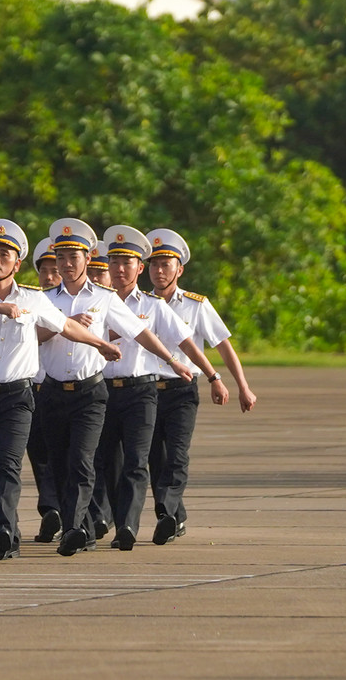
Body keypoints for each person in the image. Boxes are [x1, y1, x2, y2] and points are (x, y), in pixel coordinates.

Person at [0, 219, 121, 561]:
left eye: (4, 254)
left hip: (16, 398)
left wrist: (100, 343)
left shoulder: (33, 298)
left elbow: (66, 326)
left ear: (17, 262)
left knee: (10, 464)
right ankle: (5, 529)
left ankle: (1, 531)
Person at [36, 218, 188, 557]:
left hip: (91, 392)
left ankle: (75, 529)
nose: (66, 264)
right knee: (59, 464)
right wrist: (65, 326)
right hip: (53, 391)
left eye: (73, 257)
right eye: (61, 257)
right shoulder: (43, 299)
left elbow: (139, 331)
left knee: (82, 462)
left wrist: (172, 360)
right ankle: (85, 528)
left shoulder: (104, 298)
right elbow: (31, 336)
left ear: (88, 259)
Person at [94, 224, 221, 550]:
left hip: (141, 391)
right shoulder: (95, 302)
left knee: (137, 462)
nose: (120, 270)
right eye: (115, 262)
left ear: (139, 268)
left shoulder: (153, 306)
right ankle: (116, 517)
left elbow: (186, 343)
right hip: (102, 392)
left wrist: (212, 376)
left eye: (128, 263)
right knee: (107, 462)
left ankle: (128, 527)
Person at [145, 227, 259, 545]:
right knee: (156, 457)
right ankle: (175, 516)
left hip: (182, 391)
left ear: (179, 270)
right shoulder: (140, 304)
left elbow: (223, 345)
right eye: (153, 264)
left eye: (165, 264)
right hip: (148, 391)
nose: (158, 270)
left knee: (177, 455)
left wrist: (242, 386)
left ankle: (166, 513)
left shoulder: (196, 305)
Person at [27, 235, 63, 544]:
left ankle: (60, 509)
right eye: (44, 270)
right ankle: (51, 511)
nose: (50, 276)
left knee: (67, 456)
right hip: (33, 389)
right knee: (39, 455)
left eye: (55, 269)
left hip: (67, 389)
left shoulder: (75, 301)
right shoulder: (29, 300)